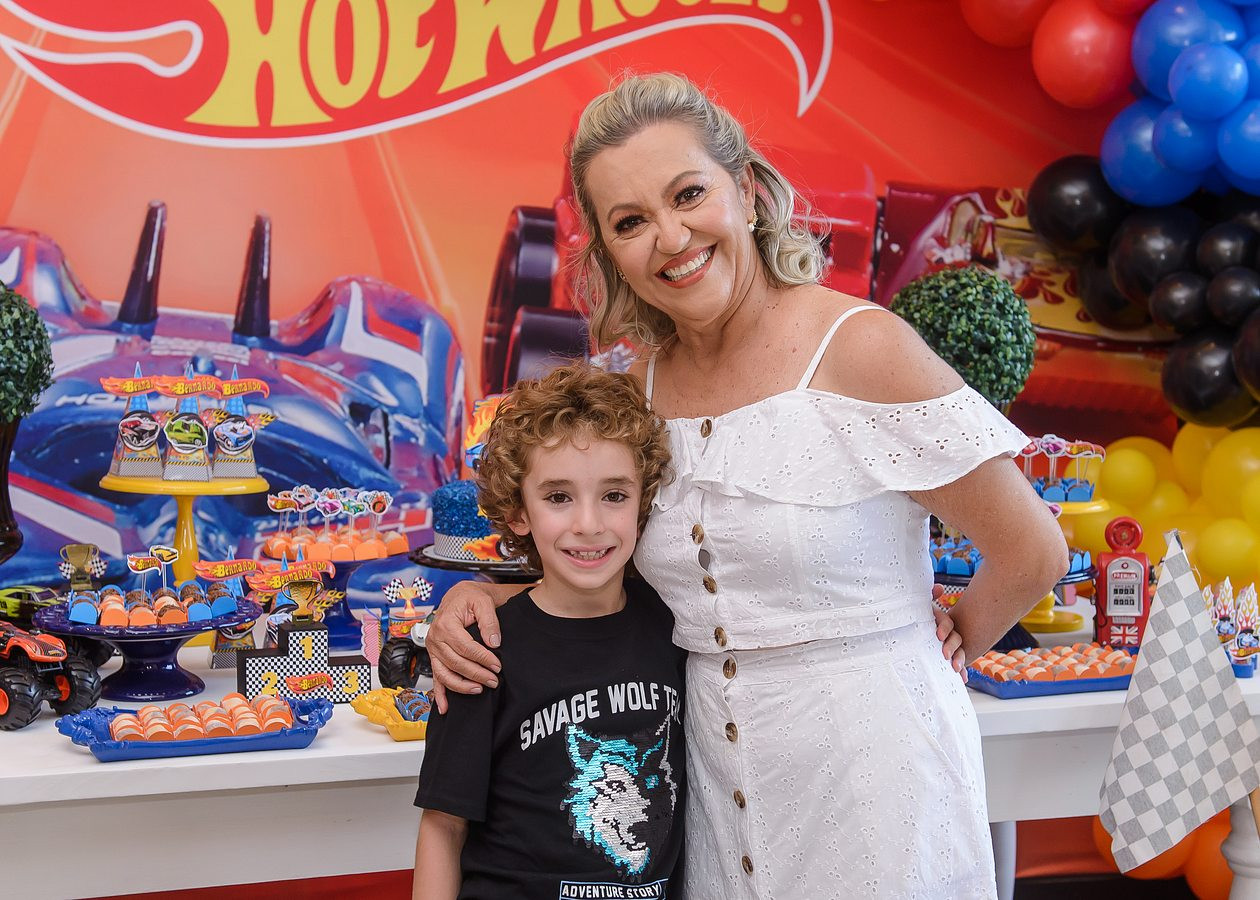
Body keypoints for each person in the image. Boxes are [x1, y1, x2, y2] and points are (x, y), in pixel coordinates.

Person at [426, 73, 1068, 898]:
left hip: (878, 787)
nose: (670, 237)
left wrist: (943, 644)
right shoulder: (639, 393)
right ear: (610, 254)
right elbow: (615, 571)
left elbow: (1033, 550)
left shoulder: (861, 348)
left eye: (688, 194)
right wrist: (480, 596)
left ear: (748, 190)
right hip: (713, 795)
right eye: (630, 222)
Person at [413, 364, 685, 900]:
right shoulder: (482, 649)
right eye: (559, 497)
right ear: (519, 512)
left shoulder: (672, 625)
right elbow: (443, 828)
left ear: (643, 503)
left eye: (614, 495)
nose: (589, 523)